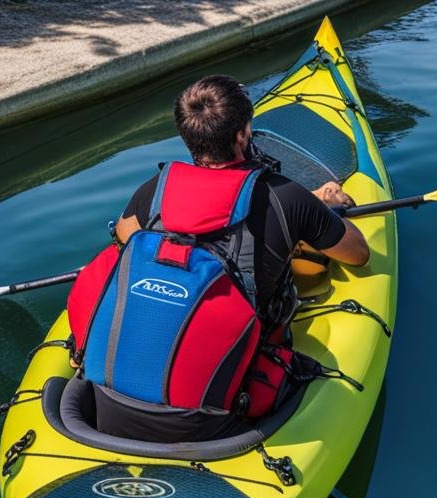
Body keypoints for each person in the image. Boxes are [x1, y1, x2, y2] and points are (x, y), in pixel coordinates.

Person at [66, 75, 370, 442]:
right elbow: (357, 254)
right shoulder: (285, 198)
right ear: (243, 134)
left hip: (108, 406)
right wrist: (323, 207)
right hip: (214, 418)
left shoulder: (155, 191)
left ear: (187, 135)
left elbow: (125, 236)